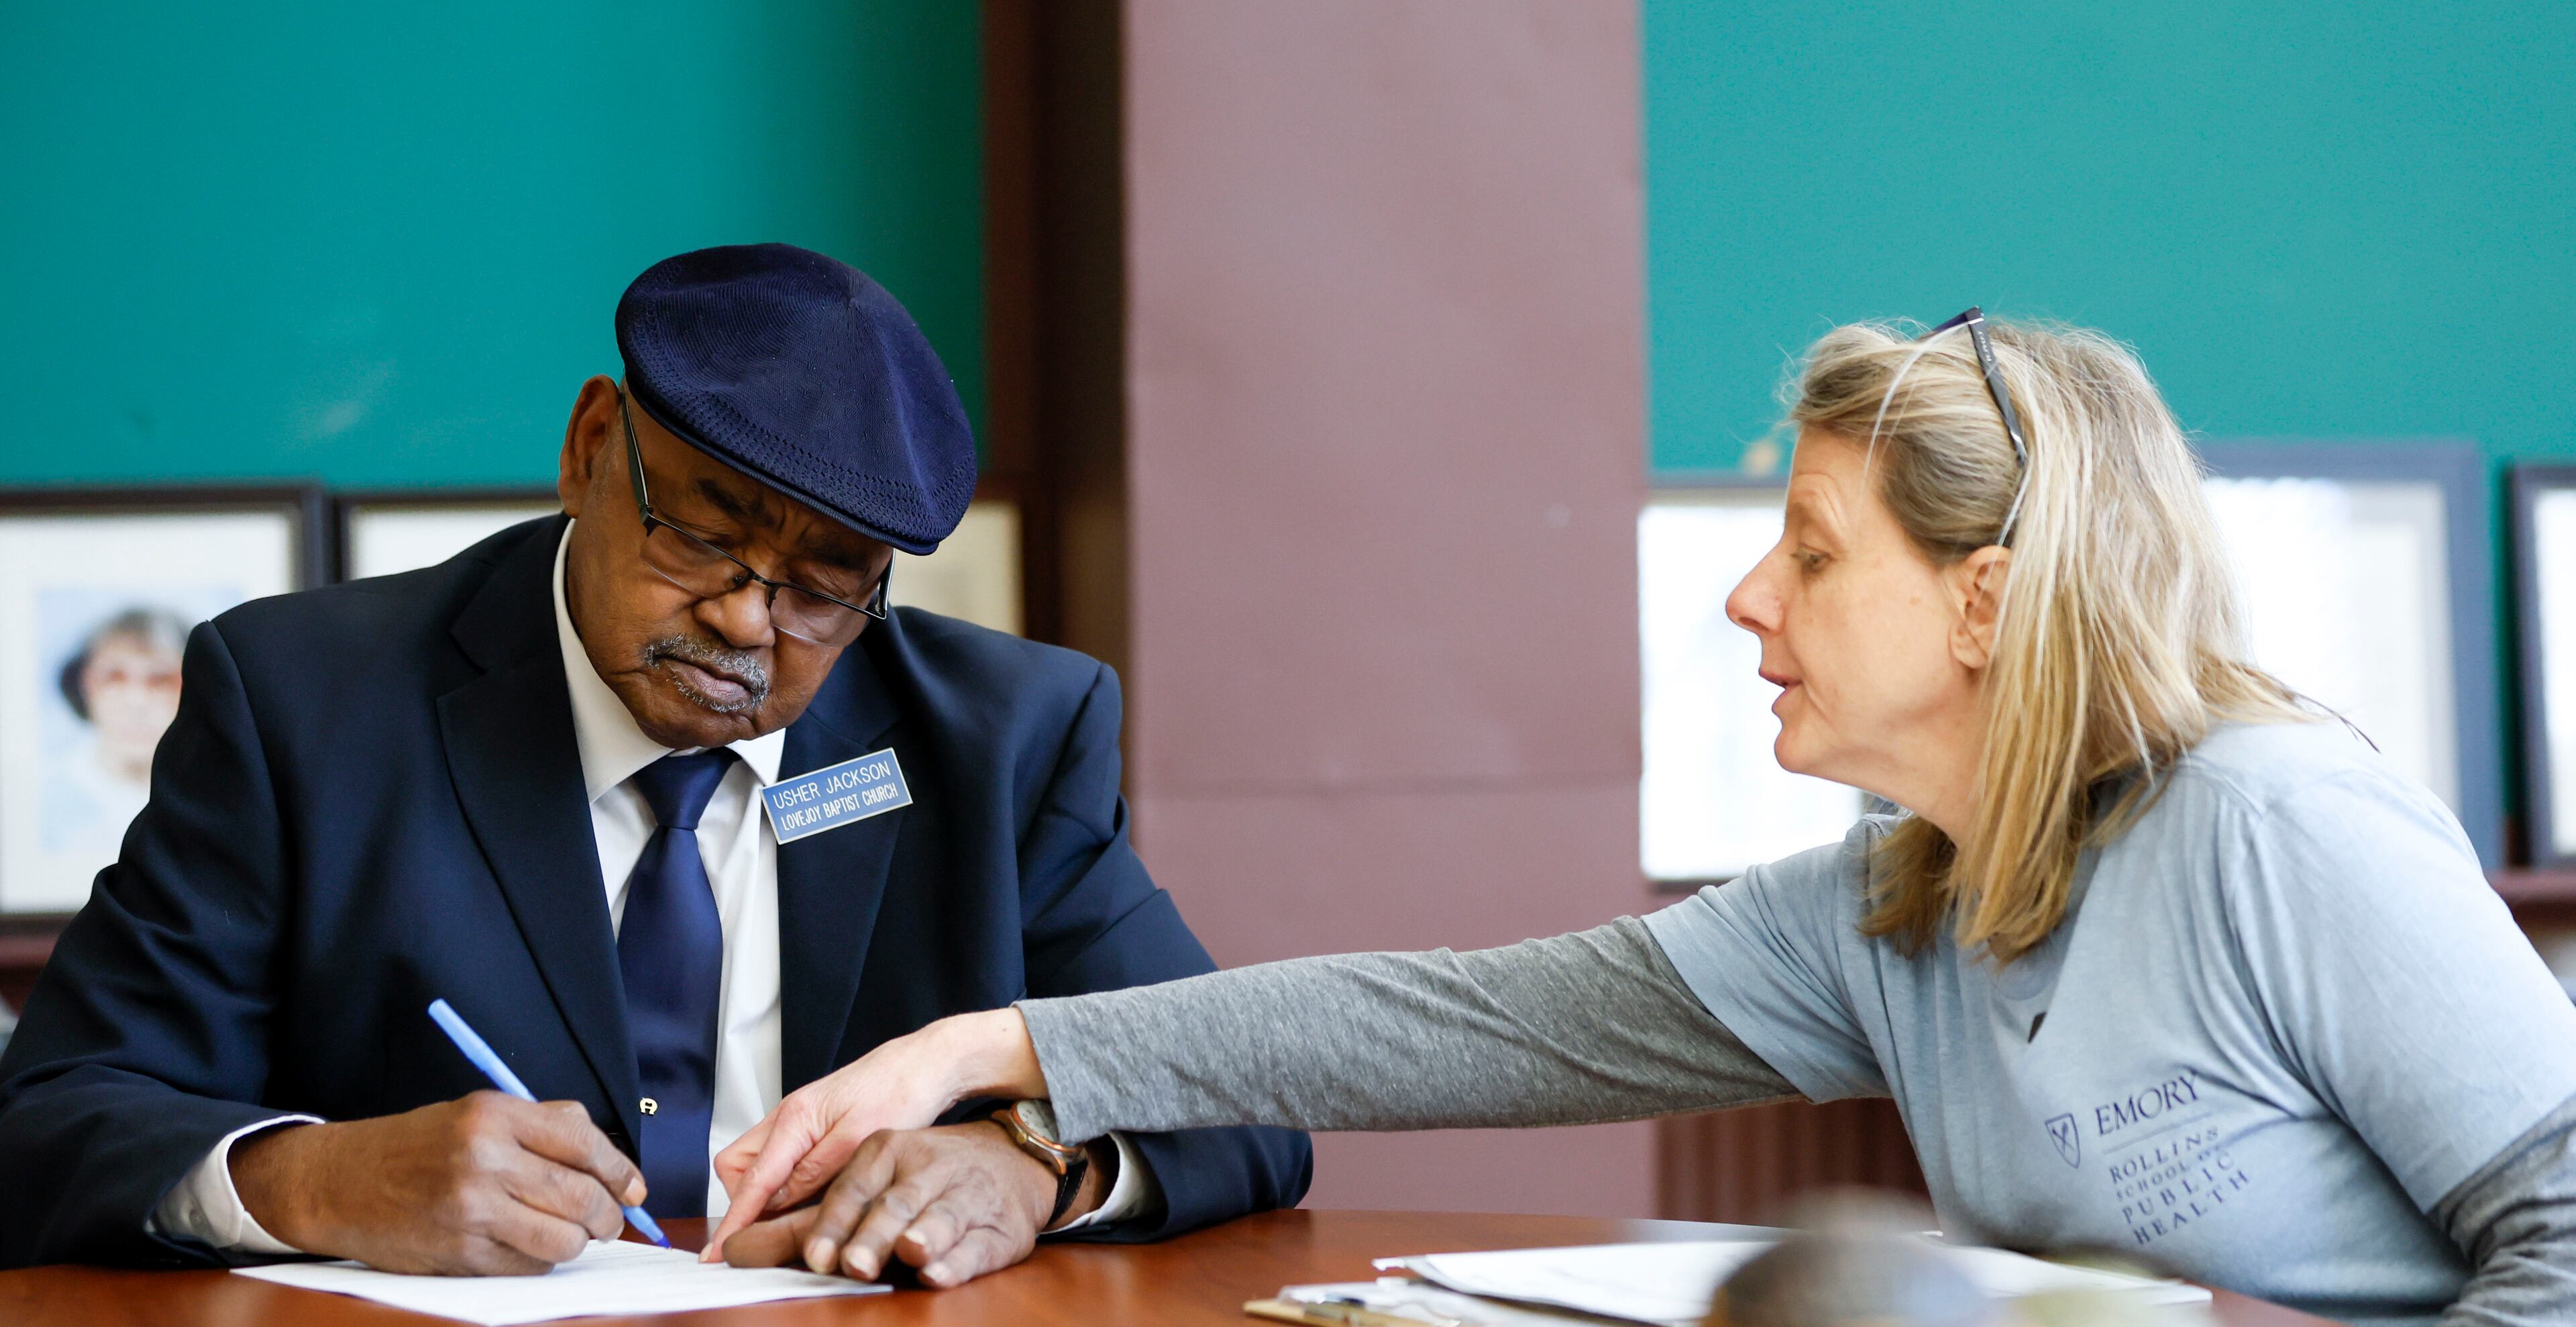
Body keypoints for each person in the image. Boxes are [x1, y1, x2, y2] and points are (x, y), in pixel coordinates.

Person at [704, 313, 2576, 1326]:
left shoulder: (2272, 827)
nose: (1751, 604)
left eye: (1814, 555)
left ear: (1991, 602)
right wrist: (997, 1042)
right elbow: (1467, 1021)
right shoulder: (1889, 903)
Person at [0, 244, 1308, 1279]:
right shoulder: (307, 706)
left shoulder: (1003, 739)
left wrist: (1031, 1163)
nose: (748, 620)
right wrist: (319, 1180)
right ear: (588, 450)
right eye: (703, 536)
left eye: (822, 588)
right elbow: (51, 1119)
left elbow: (1242, 1101)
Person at [43, 606, 192, 863]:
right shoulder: (45, 798)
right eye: (113, 677)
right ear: (83, 688)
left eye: (160, 680)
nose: (136, 701)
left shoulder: (217, 798)